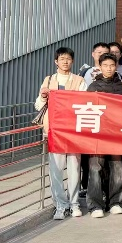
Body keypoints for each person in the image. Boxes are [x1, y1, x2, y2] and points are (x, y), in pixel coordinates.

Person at [35, 47, 87, 219]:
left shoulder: (79, 80)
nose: (65, 61)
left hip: (73, 130)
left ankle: (74, 203)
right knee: (56, 170)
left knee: (74, 169)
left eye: (68, 58)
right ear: (56, 62)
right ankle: (60, 205)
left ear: (73, 61)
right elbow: (38, 105)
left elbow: (84, 102)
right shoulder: (49, 80)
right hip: (55, 131)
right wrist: (43, 97)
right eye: (62, 58)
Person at [86, 53, 122, 218]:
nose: (109, 68)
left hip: (116, 132)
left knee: (117, 167)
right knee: (96, 167)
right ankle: (95, 205)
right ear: (100, 67)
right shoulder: (93, 86)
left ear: (116, 66)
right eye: (105, 65)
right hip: (98, 133)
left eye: (112, 65)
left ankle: (115, 202)